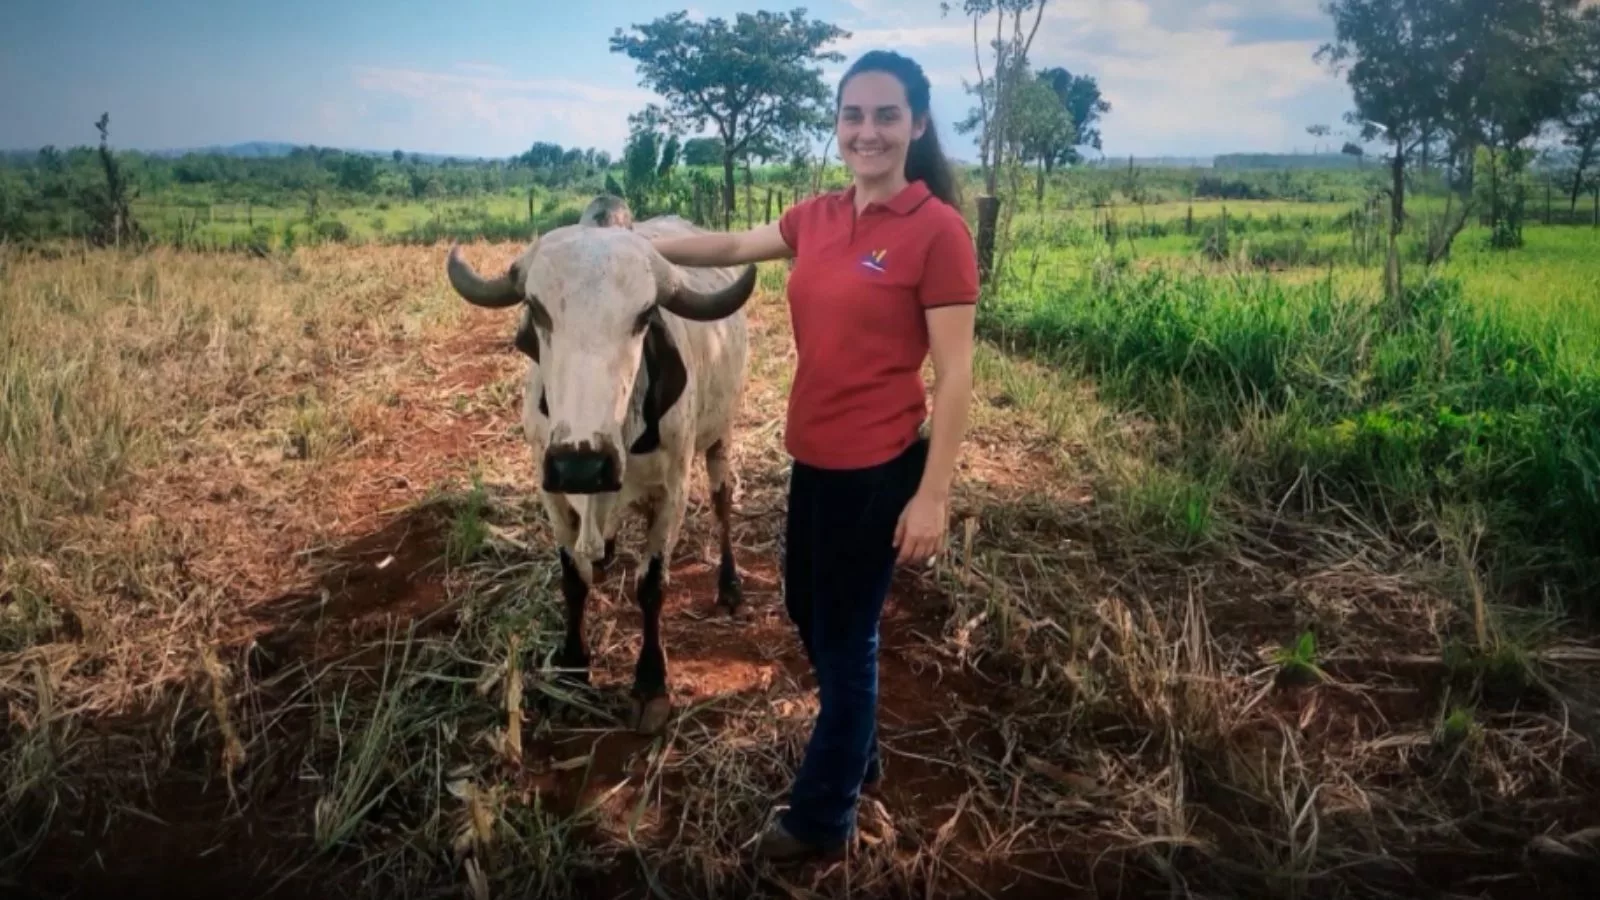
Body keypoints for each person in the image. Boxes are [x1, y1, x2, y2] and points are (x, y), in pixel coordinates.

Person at [650, 49, 980, 862]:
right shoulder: (816, 218)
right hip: (814, 458)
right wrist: (638, 250)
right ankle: (858, 749)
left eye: (886, 115)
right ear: (837, 125)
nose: (867, 131)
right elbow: (726, 245)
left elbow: (958, 373)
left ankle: (822, 817)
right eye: (853, 115)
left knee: (847, 637)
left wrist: (932, 494)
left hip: (879, 470)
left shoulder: (937, 231)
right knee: (805, 609)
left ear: (918, 124)